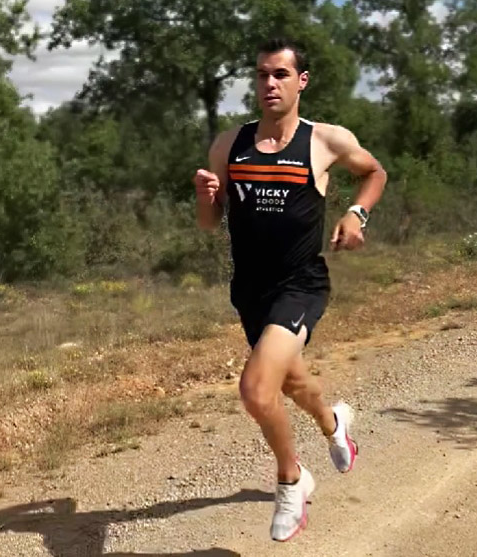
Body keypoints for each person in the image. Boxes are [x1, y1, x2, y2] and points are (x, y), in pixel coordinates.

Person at [192, 37, 387, 542]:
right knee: (292, 383)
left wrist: (355, 212)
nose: (269, 84)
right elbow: (210, 223)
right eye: (261, 75)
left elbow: (373, 171)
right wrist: (205, 197)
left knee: (256, 390)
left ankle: (291, 480)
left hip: (301, 283)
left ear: (301, 81)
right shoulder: (228, 145)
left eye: (280, 74)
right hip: (250, 290)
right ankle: (334, 422)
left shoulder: (323, 140)